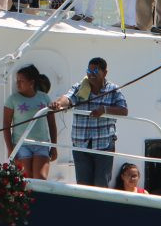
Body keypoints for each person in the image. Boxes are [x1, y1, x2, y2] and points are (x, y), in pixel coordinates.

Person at [48, 57, 128, 187]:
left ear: (105, 73)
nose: (91, 74)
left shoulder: (113, 89)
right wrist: (58, 104)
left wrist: (104, 110)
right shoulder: (80, 87)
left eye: (95, 71)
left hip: (104, 145)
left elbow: (124, 110)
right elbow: (68, 98)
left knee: (101, 183)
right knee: (83, 184)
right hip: (81, 144)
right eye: (88, 71)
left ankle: (99, 207)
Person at [3, 64, 58, 180]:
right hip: (21, 145)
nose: (17, 84)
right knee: (26, 180)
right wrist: (10, 149)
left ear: (31, 82)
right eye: (17, 80)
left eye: (21, 81)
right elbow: (6, 126)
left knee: (41, 179)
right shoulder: (12, 100)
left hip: (42, 144)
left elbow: (52, 125)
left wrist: (54, 146)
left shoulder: (45, 98)